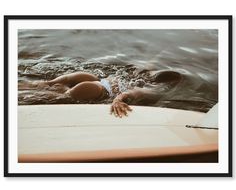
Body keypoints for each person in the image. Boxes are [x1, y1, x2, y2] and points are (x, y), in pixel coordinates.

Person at [19, 71, 182, 118]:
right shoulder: (148, 89)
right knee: (50, 98)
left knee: (44, 85)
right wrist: (117, 100)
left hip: (92, 78)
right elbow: (128, 93)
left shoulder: (142, 75)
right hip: (96, 90)